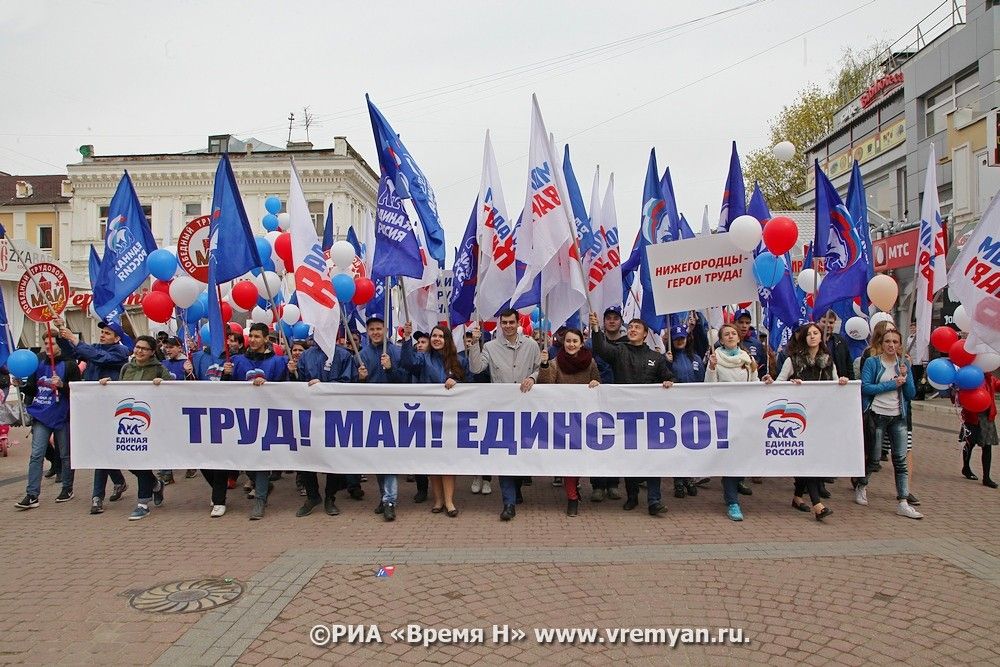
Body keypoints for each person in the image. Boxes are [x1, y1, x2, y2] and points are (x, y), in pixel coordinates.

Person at [590, 311, 674, 517]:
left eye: (638, 328)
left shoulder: (656, 357)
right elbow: (600, 348)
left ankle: (654, 501)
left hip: (650, 418)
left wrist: (668, 381)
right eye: (632, 327)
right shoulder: (619, 351)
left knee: (651, 460)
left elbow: (668, 377)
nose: (634, 330)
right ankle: (632, 496)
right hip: (625, 416)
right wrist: (595, 329)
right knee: (629, 459)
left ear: (645, 334)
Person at [767, 323, 849, 521]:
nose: (812, 337)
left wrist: (842, 383)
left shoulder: (829, 360)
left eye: (816, 333)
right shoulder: (792, 360)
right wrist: (790, 384)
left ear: (821, 337)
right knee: (809, 459)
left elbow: (834, 381)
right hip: (798, 418)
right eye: (809, 334)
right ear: (802, 338)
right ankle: (817, 505)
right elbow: (779, 383)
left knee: (812, 457)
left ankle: (797, 496)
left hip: (821, 416)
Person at [467, 309, 540, 521]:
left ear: (518, 323)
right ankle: (508, 502)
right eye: (504, 322)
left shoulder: (532, 345)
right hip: (501, 411)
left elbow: (538, 369)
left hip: (526, 409)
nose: (507, 326)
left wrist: (533, 378)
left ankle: (517, 490)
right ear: (500, 324)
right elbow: (476, 368)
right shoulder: (490, 347)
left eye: (511, 322)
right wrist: (474, 344)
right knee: (505, 455)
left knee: (521, 455)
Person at [55, 319, 131, 511]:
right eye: (102, 332)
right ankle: (118, 482)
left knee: (105, 451)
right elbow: (71, 353)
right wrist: (62, 333)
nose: (103, 335)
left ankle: (98, 496)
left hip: (111, 407)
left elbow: (99, 357)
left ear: (117, 337)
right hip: (92, 406)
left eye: (107, 332)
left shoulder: (120, 351)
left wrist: (75, 338)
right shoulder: (95, 347)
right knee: (101, 450)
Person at [98, 335, 173, 520]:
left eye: (144, 349)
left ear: (152, 352)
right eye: (137, 347)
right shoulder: (126, 367)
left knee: (142, 461)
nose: (139, 351)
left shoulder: (159, 369)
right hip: (127, 420)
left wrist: (163, 384)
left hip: (149, 422)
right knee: (128, 461)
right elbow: (121, 391)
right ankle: (155, 484)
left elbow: (172, 391)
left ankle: (142, 503)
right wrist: (107, 385)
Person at [400, 321, 468, 518]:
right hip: (427, 417)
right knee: (433, 462)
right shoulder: (422, 358)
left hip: (449, 418)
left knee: (447, 460)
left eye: (441, 336)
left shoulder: (459, 361)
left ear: (447, 340)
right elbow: (407, 362)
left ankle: (449, 501)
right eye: (434, 336)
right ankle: (438, 500)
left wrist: (457, 381)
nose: (437, 339)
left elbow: (470, 383)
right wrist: (406, 338)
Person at [533, 327, 600, 516]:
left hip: (584, 418)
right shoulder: (555, 363)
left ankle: (575, 487)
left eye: (575, 341)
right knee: (568, 459)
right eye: (568, 341)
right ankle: (572, 497)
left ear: (581, 343)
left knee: (579, 458)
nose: (571, 344)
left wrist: (596, 384)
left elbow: (597, 383)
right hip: (562, 419)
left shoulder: (591, 363)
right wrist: (544, 366)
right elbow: (546, 385)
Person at [224, 323, 288, 519]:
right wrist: (226, 376)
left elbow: (285, 389)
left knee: (261, 458)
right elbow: (225, 392)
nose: (252, 340)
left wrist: (268, 386)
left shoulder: (278, 362)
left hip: (266, 417)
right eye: (250, 336)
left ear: (266, 339)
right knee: (246, 459)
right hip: (242, 417)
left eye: (257, 336)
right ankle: (262, 484)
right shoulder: (237, 361)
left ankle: (260, 500)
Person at [858, 326, 922, 519]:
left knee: (900, 460)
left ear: (900, 345)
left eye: (895, 342)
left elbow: (911, 394)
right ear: (881, 343)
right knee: (875, 458)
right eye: (887, 341)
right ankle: (862, 484)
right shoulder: (872, 362)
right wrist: (891, 384)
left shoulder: (903, 364)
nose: (891, 345)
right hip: (877, 415)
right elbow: (866, 387)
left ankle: (902, 501)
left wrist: (906, 375)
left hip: (898, 417)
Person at [13, 331, 81, 510]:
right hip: (42, 414)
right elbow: (33, 389)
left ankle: (67, 488)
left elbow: (78, 392)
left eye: (53, 344)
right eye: (46, 345)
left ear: (60, 345)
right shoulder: (39, 362)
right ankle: (32, 494)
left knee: (65, 454)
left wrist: (62, 386)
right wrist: (21, 384)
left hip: (63, 415)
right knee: (36, 455)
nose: (48, 348)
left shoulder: (70, 365)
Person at [294, 335, 359, 518]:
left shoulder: (344, 356)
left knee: (333, 457)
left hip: (335, 414)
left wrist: (324, 387)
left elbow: (349, 383)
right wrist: (292, 373)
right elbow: (297, 385)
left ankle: (330, 498)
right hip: (309, 413)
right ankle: (313, 496)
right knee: (306, 456)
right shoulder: (306, 356)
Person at [705, 322, 759, 521]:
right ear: (720, 339)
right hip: (724, 414)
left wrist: (764, 381)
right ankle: (732, 501)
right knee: (730, 458)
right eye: (726, 334)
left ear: (739, 338)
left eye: (733, 333)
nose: (730, 336)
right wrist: (711, 369)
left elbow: (755, 383)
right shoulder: (715, 358)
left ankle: (735, 485)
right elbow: (708, 387)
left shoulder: (748, 359)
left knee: (741, 456)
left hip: (744, 414)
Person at [358, 316, 408, 522]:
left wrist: (390, 368)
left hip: (393, 412)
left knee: (388, 458)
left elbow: (405, 381)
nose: (376, 332)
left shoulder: (396, 352)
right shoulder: (361, 356)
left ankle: (389, 500)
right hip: (372, 412)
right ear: (368, 332)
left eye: (379, 328)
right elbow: (353, 391)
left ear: (385, 329)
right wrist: (359, 379)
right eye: (372, 329)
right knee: (378, 458)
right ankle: (384, 497)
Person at [590, 307, 627, 501]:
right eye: (608, 318)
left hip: (619, 400)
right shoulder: (593, 343)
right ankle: (597, 484)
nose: (612, 321)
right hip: (596, 399)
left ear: (621, 321)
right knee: (596, 441)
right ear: (603, 322)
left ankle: (613, 483)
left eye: (615, 318)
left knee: (616, 442)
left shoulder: (628, 343)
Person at [665, 324, 705, 499]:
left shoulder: (695, 358)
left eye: (682, 337)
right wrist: (666, 362)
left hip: (693, 407)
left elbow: (703, 381)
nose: (680, 341)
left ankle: (689, 477)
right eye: (676, 338)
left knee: (690, 444)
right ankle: (678, 481)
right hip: (674, 408)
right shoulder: (668, 358)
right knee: (676, 444)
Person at [959, 373, 998, 488]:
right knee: (970, 443)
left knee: (987, 445)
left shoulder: (990, 378)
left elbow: (997, 385)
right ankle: (966, 467)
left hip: (987, 416)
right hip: (973, 415)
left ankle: (986, 477)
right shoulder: (971, 375)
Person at [409, 331, 434, 502]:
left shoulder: (434, 362)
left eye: (424, 341)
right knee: (418, 451)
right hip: (416, 411)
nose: (419, 344)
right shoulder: (414, 362)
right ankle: (422, 488)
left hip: (434, 412)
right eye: (418, 341)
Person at [819, 310, 855, 380]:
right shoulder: (813, 341)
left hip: (839, 383)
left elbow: (848, 365)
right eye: (824, 322)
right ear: (818, 322)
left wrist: (851, 383)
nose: (828, 325)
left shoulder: (840, 341)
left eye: (831, 322)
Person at [732, 309, 768, 378]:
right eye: (741, 322)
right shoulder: (728, 342)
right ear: (734, 323)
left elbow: (763, 368)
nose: (744, 326)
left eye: (747, 323)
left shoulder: (757, 344)